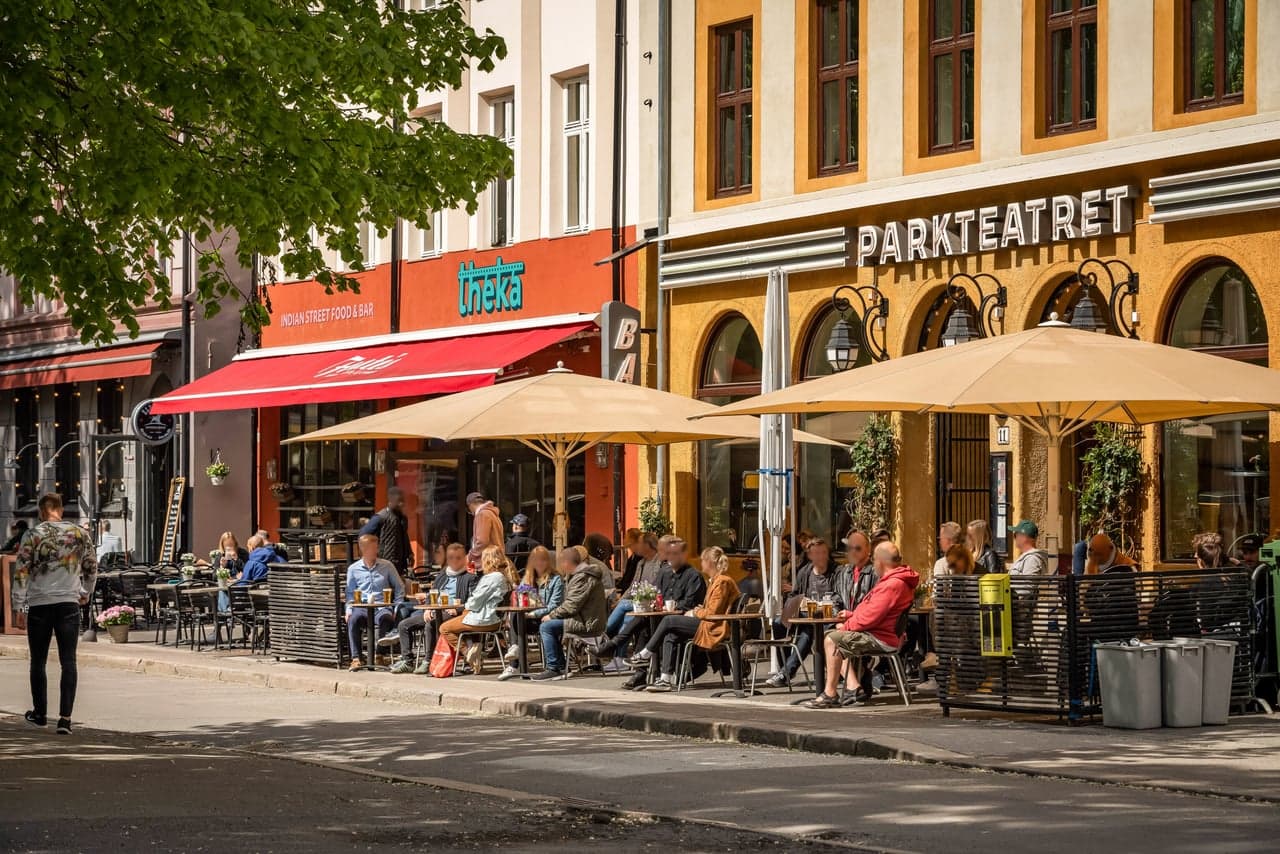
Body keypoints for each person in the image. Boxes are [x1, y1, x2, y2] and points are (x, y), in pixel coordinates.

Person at [12, 493, 97, 734]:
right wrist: (85, 592)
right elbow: (91, 567)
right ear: (60, 509)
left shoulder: (32, 535)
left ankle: (40, 714)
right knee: (68, 661)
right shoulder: (79, 534)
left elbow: (21, 571)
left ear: (42, 511)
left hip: (39, 604)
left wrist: (19, 606)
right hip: (68, 603)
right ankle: (65, 719)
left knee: (38, 661)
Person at [803, 542, 919, 709]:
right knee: (833, 638)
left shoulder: (892, 584)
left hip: (881, 638)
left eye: (874, 559)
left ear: (880, 561)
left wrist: (846, 626)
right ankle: (853, 687)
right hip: (882, 633)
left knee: (832, 640)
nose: (873, 563)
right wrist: (851, 616)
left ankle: (831, 693)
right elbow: (874, 612)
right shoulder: (895, 581)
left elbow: (870, 617)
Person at [631, 546, 741, 692]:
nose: (701, 563)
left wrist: (695, 612)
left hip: (713, 627)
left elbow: (713, 612)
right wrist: (699, 610)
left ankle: (646, 654)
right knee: (671, 634)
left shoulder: (722, 582)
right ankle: (665, 679)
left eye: (703, 560)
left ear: (710, 562)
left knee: (669, 620)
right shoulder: (715, 580)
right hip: (708, 623)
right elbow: (711, 608)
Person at [594, 536, 703, 669]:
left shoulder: (693, 576)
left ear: (683, 555)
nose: (670, 557)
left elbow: (689, 603)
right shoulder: (662, 571)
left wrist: (666, 606)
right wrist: (653, 603)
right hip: (660, 615)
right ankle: (632, 663)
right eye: (669, 553)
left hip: (680, 618)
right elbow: (653, 591)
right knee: (642, 620)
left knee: (641, 618)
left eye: (674, 554)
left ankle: (609, 642)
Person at [387, 543, 478, 674]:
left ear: (464, 559)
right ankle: (408, 661)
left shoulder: (470, 578)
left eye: (458, 558)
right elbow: (432, 593)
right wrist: (428, 609)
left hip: (453, 613)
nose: (454, 561)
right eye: (451, 557)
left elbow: (473, 600)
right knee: (403, 625)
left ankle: (428, 661)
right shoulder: (442, 575)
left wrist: (458, 609)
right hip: (436, 610)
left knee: (430, 625)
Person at [766, 537, 840, 687]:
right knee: (778, 623)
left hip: (829, 616)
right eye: (817, 553)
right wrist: (797, 603)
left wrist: (825, 604)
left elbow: (840, 597)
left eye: (824, 552)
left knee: (808, 632)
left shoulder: (837, 572)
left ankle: (785, 673)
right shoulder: (805, 572)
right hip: (806, 614)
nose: (821, 556)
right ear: (810, 555)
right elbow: (794, 594)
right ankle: (785, 667)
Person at [532, 546, 608, 681]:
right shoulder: (581, 575)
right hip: (584, 619)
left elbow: (571, 606)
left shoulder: (582, 577)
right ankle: (561, 666)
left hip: (586, 623)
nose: (560, 566)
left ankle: (554, 668)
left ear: (566, 562)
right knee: (550, 626)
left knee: (546, 627)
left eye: (561, 563)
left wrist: (552, 615)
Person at [439, 545, 515, 673]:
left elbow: (475, 601)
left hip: (485, 620)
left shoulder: (492, 577)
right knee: (462, 618)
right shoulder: (504, 576)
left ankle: (468, 653)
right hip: (494, 619)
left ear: (488, 560)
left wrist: (466, 605)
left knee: (444, 628)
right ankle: (474, 654)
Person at [594, 532, 663, 671]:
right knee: (626, 618)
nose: (637, 547)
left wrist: (621, 602)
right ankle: (619, 657)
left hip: (652, 602)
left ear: (648, 545)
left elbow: (658, 587)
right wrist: (621, 599)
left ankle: (602, 634)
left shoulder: (660, 562)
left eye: (640, 543)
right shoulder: (641, 563)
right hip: (638, 603)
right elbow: (633, 586)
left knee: (624, 605)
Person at [498, 545, 565, 680]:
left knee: (520, 617)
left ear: (548, 561)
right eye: (536, 560)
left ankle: (514, 663)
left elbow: (554, 605)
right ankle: (515, 653)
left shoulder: (556, 579)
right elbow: (519, 599)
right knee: (515, 614)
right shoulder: (527, 579)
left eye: (543, 560)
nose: (540, 563)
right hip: (528, 618)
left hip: (547, 617)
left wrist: (534, 614)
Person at [344, 533, 404, 670]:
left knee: (386, 619)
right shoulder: (353, 569)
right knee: (353, 619)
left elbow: (399, 587)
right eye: (373, 548)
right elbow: (350, 593)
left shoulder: (387, 566)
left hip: (382, 605)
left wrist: (396, 606)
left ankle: (379, 655)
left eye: (376, 547)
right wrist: (348, 609)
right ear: (363, 549)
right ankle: (356, 658)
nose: (376, 551)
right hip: (362, 606)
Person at [359, 487, 412, 575]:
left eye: (402, 501)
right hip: (383, 564)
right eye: (398, 501)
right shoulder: (381, 517)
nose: (401, 504)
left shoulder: (403, 518)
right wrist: (372, 554)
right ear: (391, 501)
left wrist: (409, 553)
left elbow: (404, 536)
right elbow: (363, 535)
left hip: (399, 565)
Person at [465, 492, 504, 567]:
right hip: (496, 560)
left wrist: (470, 556)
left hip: (486, 563)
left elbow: (482, 542)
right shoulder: (493, 514)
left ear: (470, 505)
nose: (471, 513)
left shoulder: (482, 515)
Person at [618, 528, 645, 592]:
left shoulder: (639, 557)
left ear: (632, 540)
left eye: (626, 537)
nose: (624, 539)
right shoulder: (633, 556)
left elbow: (633, 578)